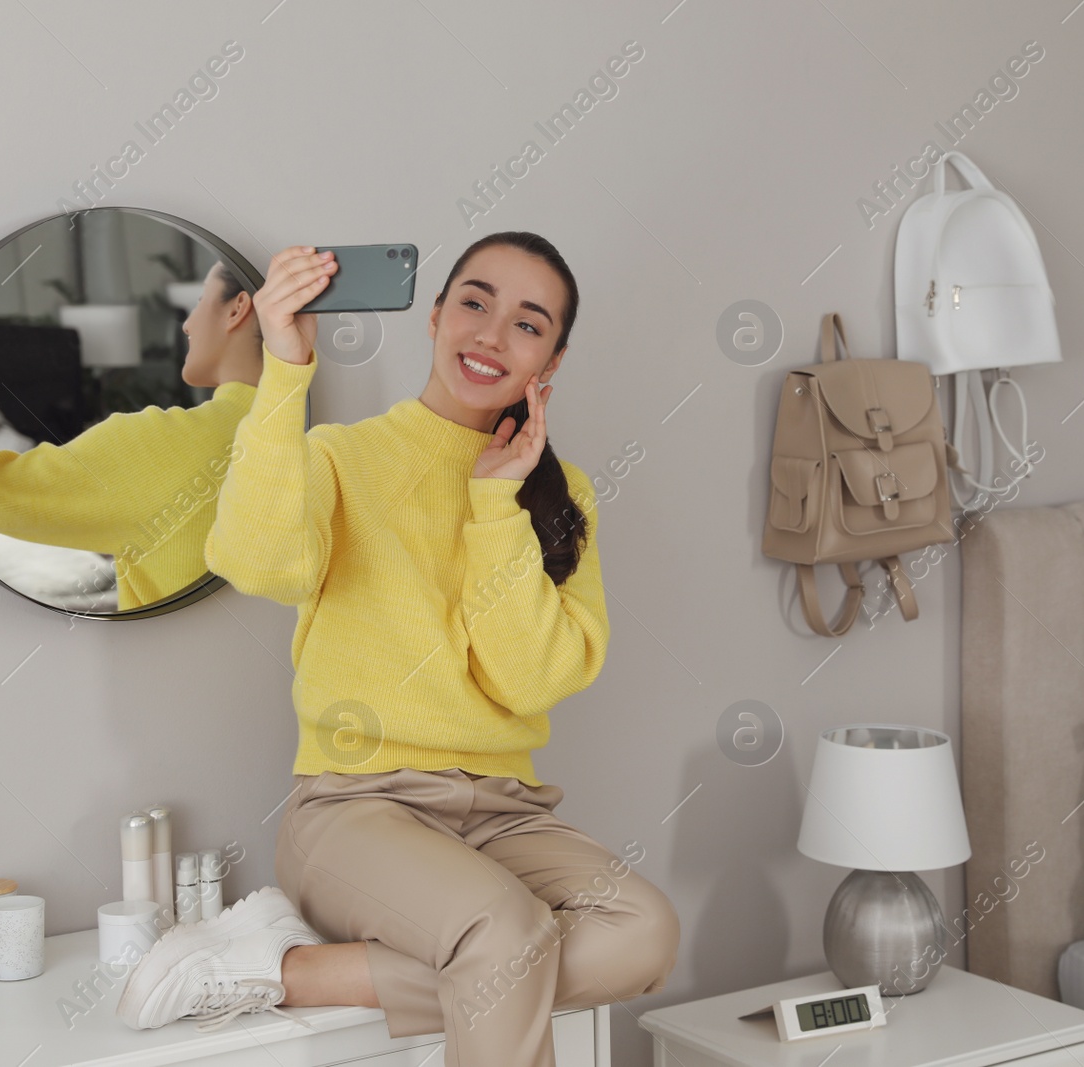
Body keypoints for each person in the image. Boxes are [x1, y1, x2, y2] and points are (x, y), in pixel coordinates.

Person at [115, 233, 681, 1064]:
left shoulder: (561, 494)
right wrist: (285, 370)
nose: (490, 335)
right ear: (435, 315)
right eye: (475, 303)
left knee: (645, 932)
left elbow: (529, 678)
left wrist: (493, 503)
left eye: (527, 325)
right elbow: (256, 560)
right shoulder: (342, 456)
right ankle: (337, 962)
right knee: (511, 933)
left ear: (550, 361)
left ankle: (297, 971)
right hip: (353, 810)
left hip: (503, 815)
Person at [0, 260, 262, 611]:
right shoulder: (312, 430)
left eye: (201, 301)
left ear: (237, 309)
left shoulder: (157, 446)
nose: (187, 325)